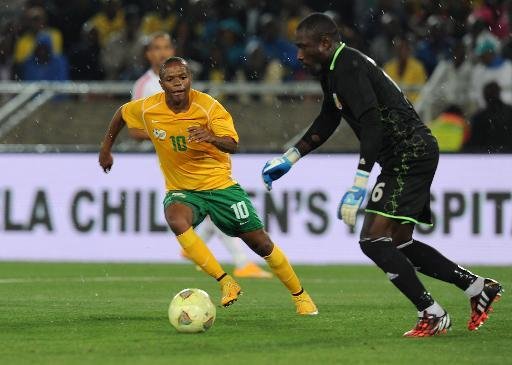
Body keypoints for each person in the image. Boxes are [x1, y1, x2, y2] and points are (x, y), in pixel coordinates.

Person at [262, 13, 502, 336]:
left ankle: (432, 313)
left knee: (373, 240)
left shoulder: (346, 65)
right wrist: (291, 157)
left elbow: (372, 123)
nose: (299, 55)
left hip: (408, 152)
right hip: (406, 153)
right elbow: (329, 118)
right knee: (399, 242)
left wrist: (359, 183)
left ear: (325, 43)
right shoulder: (334, 68)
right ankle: (476, 288)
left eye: (304, 47)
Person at [98, 56, 317, 315]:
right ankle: (226, 282)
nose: (178, 83)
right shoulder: (149, 108)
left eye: (183, 77)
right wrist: (106, 149)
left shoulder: (209, 107)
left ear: (190, 79)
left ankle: (300, 296)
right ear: (161, 83)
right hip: (183, 190)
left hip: (220, 186)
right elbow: (121, 114)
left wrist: (212, 138)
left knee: (261, 244)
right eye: (171, 79)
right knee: (175, 218)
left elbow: (233, 145)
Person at [132, 32, 272, 279]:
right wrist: (166, 134)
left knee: (212, 204)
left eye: (166, 46)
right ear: (148, 54)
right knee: (213, 204)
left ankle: (198, 246)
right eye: (156, 48)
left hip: (200, 154)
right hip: (174, 160)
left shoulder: (182, 76)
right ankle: (240, 262)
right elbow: (134, 129)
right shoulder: (144, 86)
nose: (162, 52)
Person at [465, 81, 512, 153]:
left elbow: (474, 144)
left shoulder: (479, 117)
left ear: (484, 96)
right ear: (499, 93)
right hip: (508, 154)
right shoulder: (509, 112)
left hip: (487, 157)